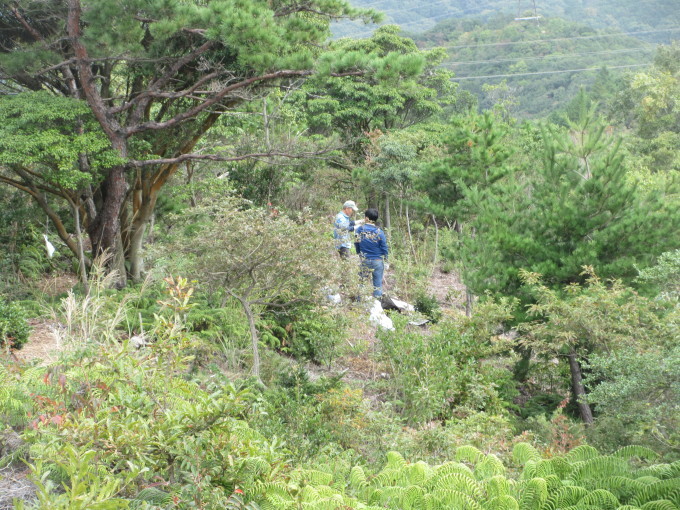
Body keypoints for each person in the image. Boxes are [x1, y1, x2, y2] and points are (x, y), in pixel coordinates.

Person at [354, 208, 389, 298]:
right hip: (377, 260)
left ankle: (359, 304)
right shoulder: (379, 232)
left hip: (365, 259)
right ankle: (377, 305)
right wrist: (386, 259)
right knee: (377, 285)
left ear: (366, 218)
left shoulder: (359, 230)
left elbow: (356, 243)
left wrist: (359, 253)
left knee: (361, 283)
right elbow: (384, 247)